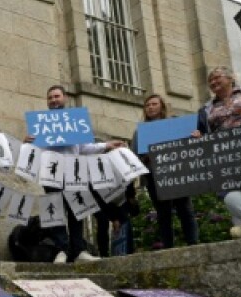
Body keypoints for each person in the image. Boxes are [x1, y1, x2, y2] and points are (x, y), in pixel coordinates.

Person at [26, 85, 123, 263]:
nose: (54, 100)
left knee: (77, 210)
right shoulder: (40, 124)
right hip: (50, 171)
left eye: (57, 96)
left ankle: (78, 251)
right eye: (50, 98)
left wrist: (105, 145)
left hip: (74, 169)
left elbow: (85, 147)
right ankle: (60, 250)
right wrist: (27, 142)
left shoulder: (76, 122)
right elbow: (34, 151)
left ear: (65, 98)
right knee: (54, 210)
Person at [132, 93, 198, 249]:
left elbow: (188, 145)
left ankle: (193, 242)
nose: (150, 107)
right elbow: (135, 156)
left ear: (162, 106)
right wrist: (145, 158)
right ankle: (168, 246)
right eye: (147, 105)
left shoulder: (175, 123)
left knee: (185, 208)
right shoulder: (140, 132)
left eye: (154, 104)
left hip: (177, 173)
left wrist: (195, 136)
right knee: (163, 213)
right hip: (154, 176)